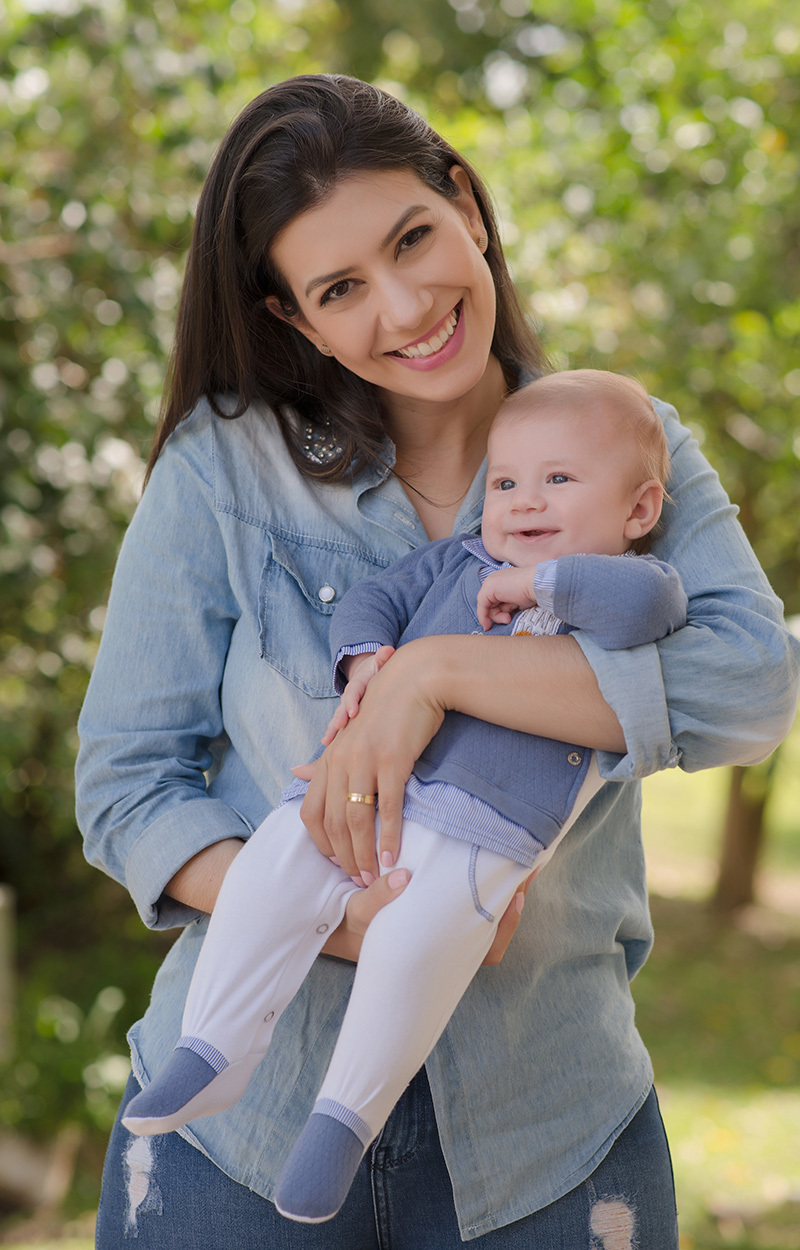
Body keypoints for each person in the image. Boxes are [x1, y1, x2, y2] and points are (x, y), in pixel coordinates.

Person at [75, 75, 800, 1249]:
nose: (408, 305)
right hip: (235, 1152)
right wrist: (346, 918)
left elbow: (751, 684)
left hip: (546, 1145)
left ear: (464, 202)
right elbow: (128, 785)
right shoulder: (224, 471)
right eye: (341, 288)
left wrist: (433, 673)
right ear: (292, 318)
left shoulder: (620, 442)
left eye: (412, 237)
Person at [119, 369, 689, 1226]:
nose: (525, 502)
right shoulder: (460, 561)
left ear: (638, 510)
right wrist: (364, 658)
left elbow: (656, 609)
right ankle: (213, 1046)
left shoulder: (623, 583)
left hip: (485, 829)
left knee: (415, 946)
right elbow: (376, 598)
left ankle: (341, 1120)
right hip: (365, 796)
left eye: (559, 480)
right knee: (271, 868)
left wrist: (541, 587)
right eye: (505, 484)